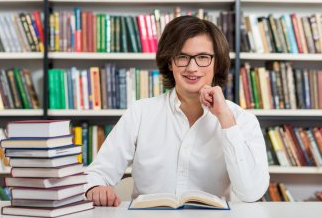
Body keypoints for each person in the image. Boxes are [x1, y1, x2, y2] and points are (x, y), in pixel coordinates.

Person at [85, 16, 269, 207]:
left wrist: (226, 120)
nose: (192, 67)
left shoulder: (240, 119)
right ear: (170, 63)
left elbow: (251, 192)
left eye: (203, 58)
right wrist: (95, 188)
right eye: (182, 57)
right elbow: (96, 173)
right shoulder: (140, 113)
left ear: (217, 63)